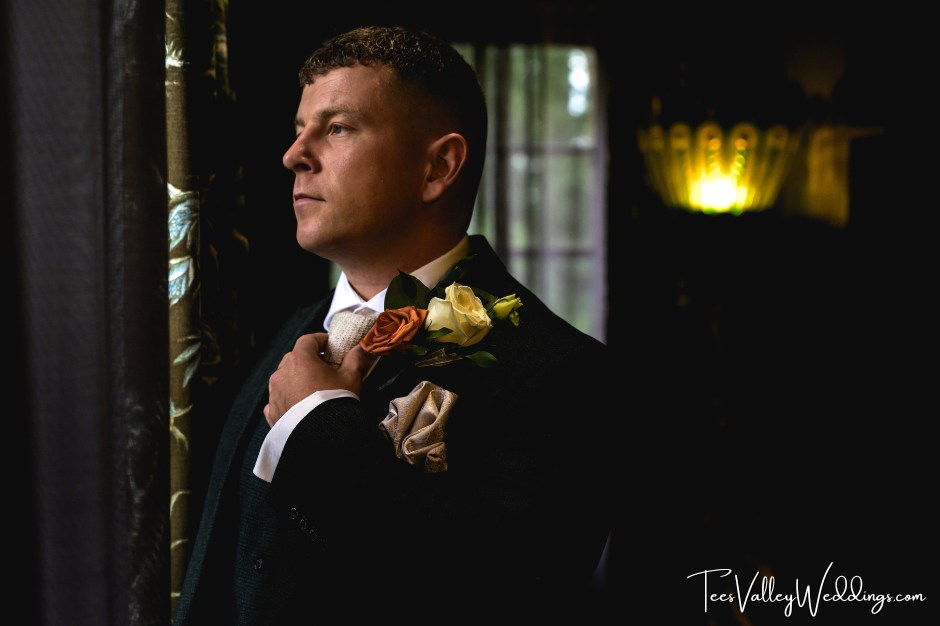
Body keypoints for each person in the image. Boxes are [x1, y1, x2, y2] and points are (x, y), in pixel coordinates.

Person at [173, 25, 615, 623]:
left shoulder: (560, 370)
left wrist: (319, 427)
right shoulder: (289, 336)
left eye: (337, 128)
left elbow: (509, 592)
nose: (293, 155)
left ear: (439, 167)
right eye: (298, 130)